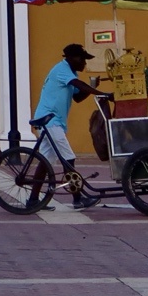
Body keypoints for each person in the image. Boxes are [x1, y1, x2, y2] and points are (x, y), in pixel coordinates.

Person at [31, 42, 102, 209]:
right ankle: (78, 199)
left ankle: (33, 199)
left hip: (53, 121)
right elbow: (79, 85)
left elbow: (78, 97)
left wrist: (92, 87)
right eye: (83, 60)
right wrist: (103, 94)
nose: (85, 63)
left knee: (46, 161)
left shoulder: (70, 72)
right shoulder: (61, 69)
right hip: (50, 120)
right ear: (72, 58)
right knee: (68, 157)